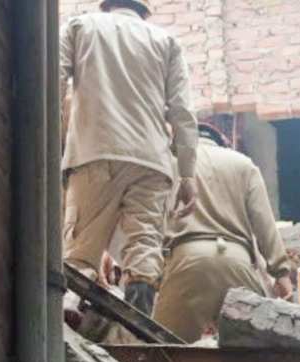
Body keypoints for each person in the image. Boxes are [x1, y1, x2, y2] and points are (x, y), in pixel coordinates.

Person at [59, 0, 198, 315]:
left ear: (107, 5)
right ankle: (138, 321)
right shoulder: (166, 43)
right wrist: (188, 174)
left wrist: (53, 139)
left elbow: (52, 76)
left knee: (82, 248)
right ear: (144, 10)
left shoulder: (80, 27)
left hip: (95, 152)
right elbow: (182, 113)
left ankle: (70, 308)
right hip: (152, 161)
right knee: (144, 246)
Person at [153, 124, 294, 343]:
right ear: (222, 142)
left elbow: (153, 222)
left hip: (186, 262)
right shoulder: (243, 164)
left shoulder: (171, 164)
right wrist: (281, 273)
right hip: (238, 263)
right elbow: (264, 223)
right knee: (258, 356)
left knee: (164, 356)